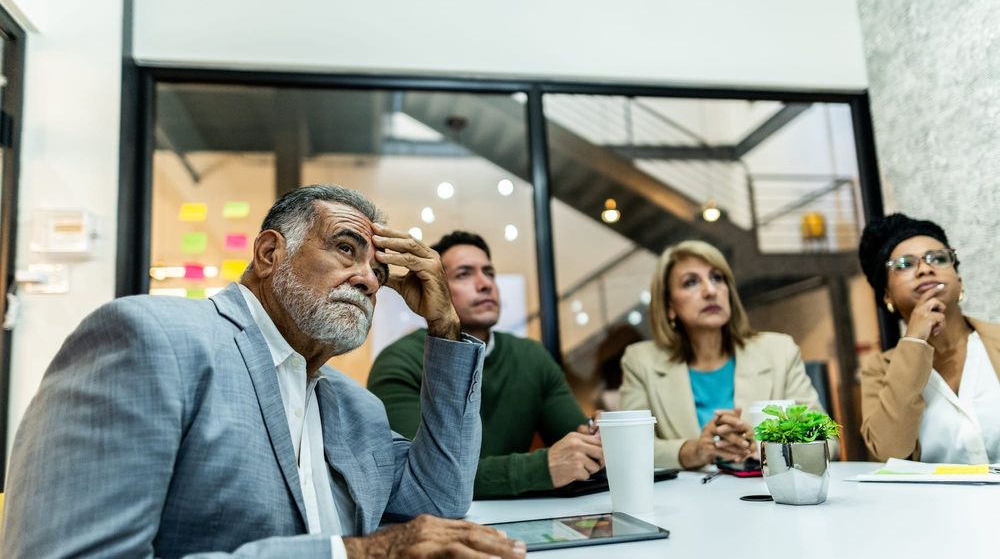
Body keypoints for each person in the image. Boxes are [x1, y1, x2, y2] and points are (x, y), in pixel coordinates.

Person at [2, 186, 525, 559]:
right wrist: (358, 554)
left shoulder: (354, 407)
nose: (368, 278)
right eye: (346, 247)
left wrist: (445, 329)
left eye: (380, 270)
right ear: (271, 252)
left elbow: (439, 500)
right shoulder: (151, 338)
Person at [368, 231, 602, 498]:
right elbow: (418, 479)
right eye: (464, 274)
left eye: (489, 273)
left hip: (521, 516)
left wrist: (598, 439)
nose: (485, 284)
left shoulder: (530, 356)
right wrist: (540, 468)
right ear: (432, 286)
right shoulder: (399, 361)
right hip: (437, 524)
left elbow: (579, 449)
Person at [619, 240, 826, 470]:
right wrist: (695, 450)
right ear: (670, 306)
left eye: (717, 278)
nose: (710, 291)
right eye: (691, 282)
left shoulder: (780, 350)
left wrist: (761, 444)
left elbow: (827, 439)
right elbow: (628, 448)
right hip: (687, 502)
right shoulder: (640, 361)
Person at [858, 213, 1000, 463]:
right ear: (887, 296)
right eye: (904, 264)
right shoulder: (879, 371)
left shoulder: (994, 342)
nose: (925, 269)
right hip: (936, 503)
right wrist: (914, 342)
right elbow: (890, 454)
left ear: (959, 281)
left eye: (938, 258)